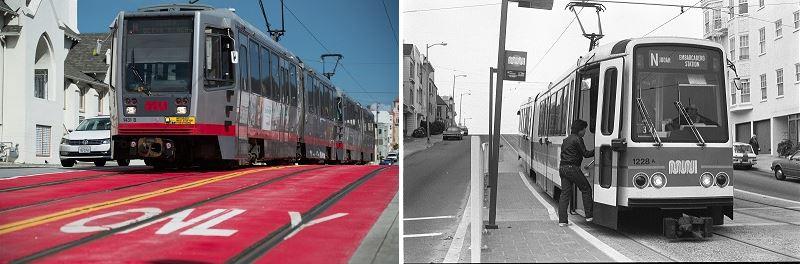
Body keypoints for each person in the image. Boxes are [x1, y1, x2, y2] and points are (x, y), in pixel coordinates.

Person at [558, 120, 595, 227]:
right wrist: (598, 149)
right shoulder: (578, 139)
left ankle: (562, 221)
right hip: (572, 168)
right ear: (580, 130)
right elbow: (586, 154)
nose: (585, 132)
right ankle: (589, 215)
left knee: (565, 194)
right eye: (584, 130)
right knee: (586, 189)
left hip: (563, 168)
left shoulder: (566, 140)